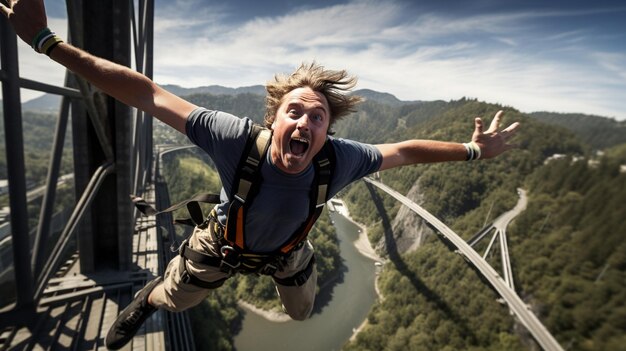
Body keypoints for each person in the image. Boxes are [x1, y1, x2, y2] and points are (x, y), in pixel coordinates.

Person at [2, 0, 521, 349]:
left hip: (286, 253)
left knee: (299, 314)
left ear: (327, 133)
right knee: (170, 297)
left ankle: (272, 273)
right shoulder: (232, 136)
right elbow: (146, 94)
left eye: (318, 117)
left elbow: (406, 150)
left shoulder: (339, 158)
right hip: (221, 244)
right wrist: (47, 42)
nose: (307, 122)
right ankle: (146, 300)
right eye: (296, 111)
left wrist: (474, 151)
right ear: (272, 120)